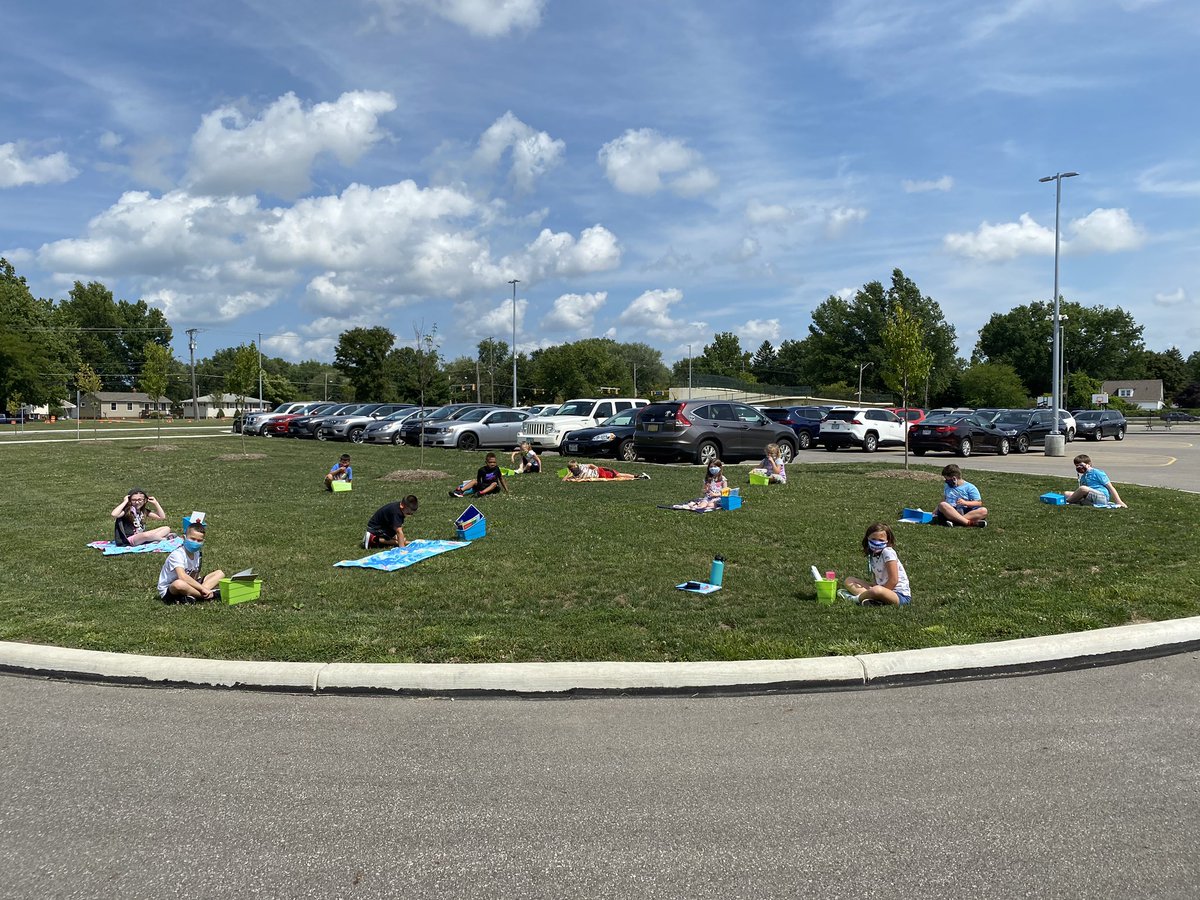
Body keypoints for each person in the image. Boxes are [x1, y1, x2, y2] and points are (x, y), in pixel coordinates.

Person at [840, 522, 912, 606]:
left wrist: (878, 591)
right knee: (849, 580)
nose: (876, 543)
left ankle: (855, 599)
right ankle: (873, 600)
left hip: (899, 596)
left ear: (887, 541)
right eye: (873, 539)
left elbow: (893, 580)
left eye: (881, 540)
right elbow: (876, 578)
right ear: (868, 539)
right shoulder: (872, 554)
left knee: (876, 590)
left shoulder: (887, 552)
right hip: (880, 589)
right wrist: (874, 588)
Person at [157, 519, 224, 602]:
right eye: (192, 539)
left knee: (219, 573)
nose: (195, 542)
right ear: (184, 538)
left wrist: (200, 587)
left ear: (203, 542)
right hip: (171, 589)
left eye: (199, 541)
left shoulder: (197, 553)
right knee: (179, 584)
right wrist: (203, 588)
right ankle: (210, 595)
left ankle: (196, 595)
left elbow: (194, 575)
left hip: (188, 584)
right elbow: (182, 576)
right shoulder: (177, 554)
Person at [563, 461, 648, 482]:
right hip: (600, 476)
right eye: (573, 468)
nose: (575, 468)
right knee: (618, 476)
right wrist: (567, 474)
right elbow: (564, 480)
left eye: (575, 466)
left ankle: (637, 476)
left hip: (600, 471)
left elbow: (590, 465)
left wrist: (597, 468)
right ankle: (639, 477)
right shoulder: (574, 476)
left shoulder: (582, 466)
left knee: (618, 474)